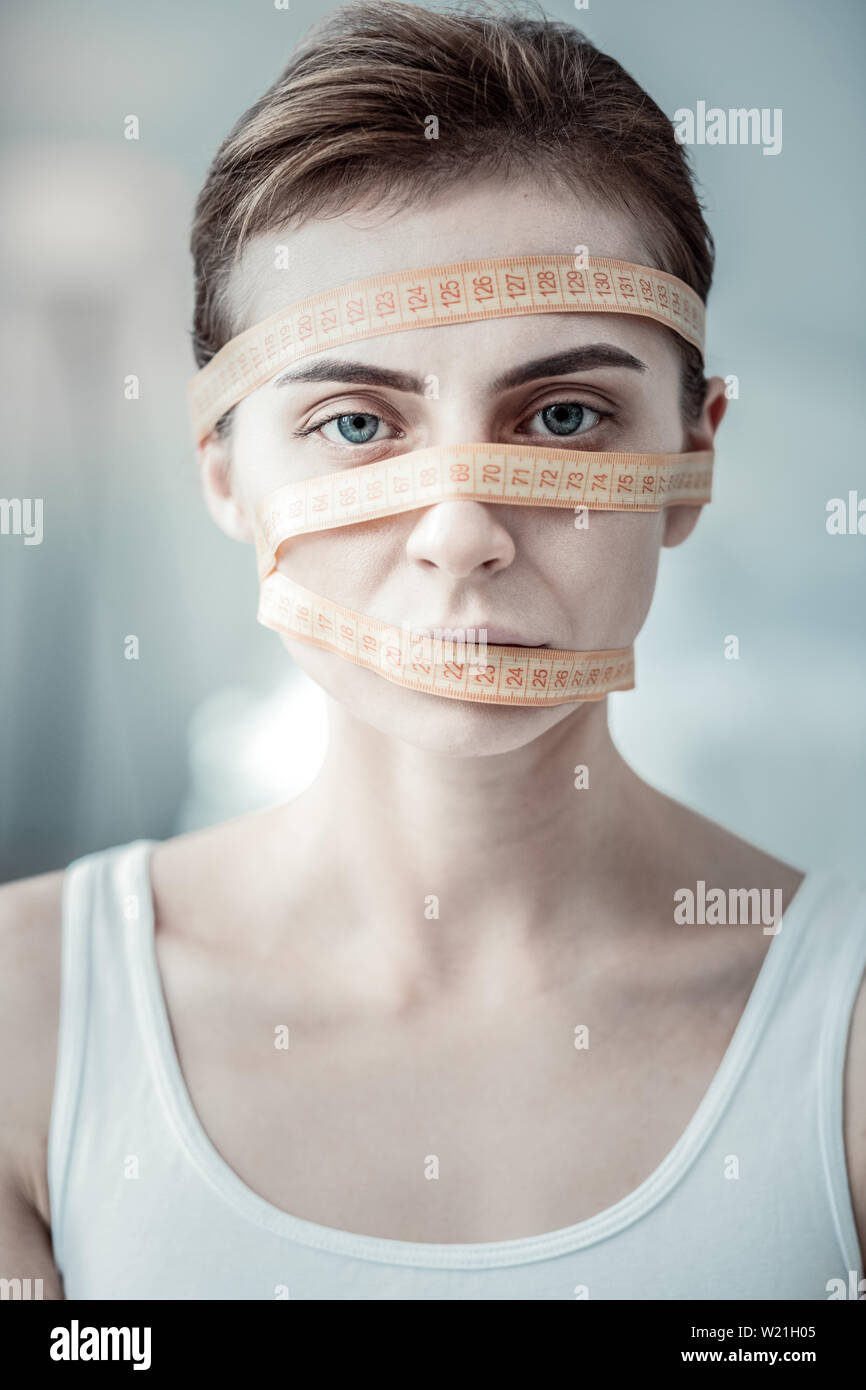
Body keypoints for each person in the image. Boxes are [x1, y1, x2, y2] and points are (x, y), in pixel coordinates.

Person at [1, 0, 864, 1301]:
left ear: (690, 460)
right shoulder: (25, 1018)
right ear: (225, 478)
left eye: (562, 415)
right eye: (355, 424)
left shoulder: (845, 1046)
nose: (459, 530)